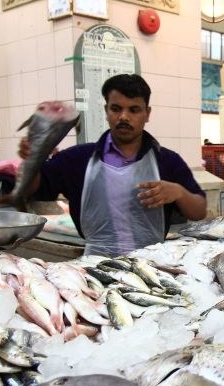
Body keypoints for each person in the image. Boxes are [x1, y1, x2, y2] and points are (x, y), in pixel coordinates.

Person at [18, 74, 206, 256]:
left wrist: (179, 192)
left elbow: (199, 211)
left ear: (147, 114)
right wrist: (32, 160)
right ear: (106, 110)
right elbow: (34, 190)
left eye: (134, 110)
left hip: (153, 266)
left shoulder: (167, 161)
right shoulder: (76, 160)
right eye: (116, 109)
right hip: (96, 266)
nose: (124, 117)